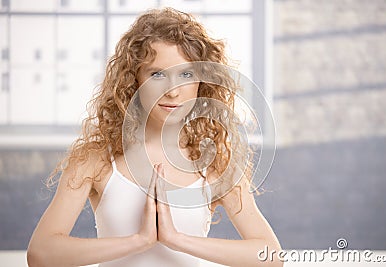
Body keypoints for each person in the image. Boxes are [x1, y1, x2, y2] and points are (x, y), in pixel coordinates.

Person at [27, 7, 282, 267]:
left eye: (186, 74)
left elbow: (271, 256)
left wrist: (177, 239)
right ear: (134, 80)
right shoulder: (96, 160)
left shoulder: (215, 166)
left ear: (201, 82)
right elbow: (41, 254)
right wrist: (139, 240)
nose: (172, 91)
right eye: (157, 74)